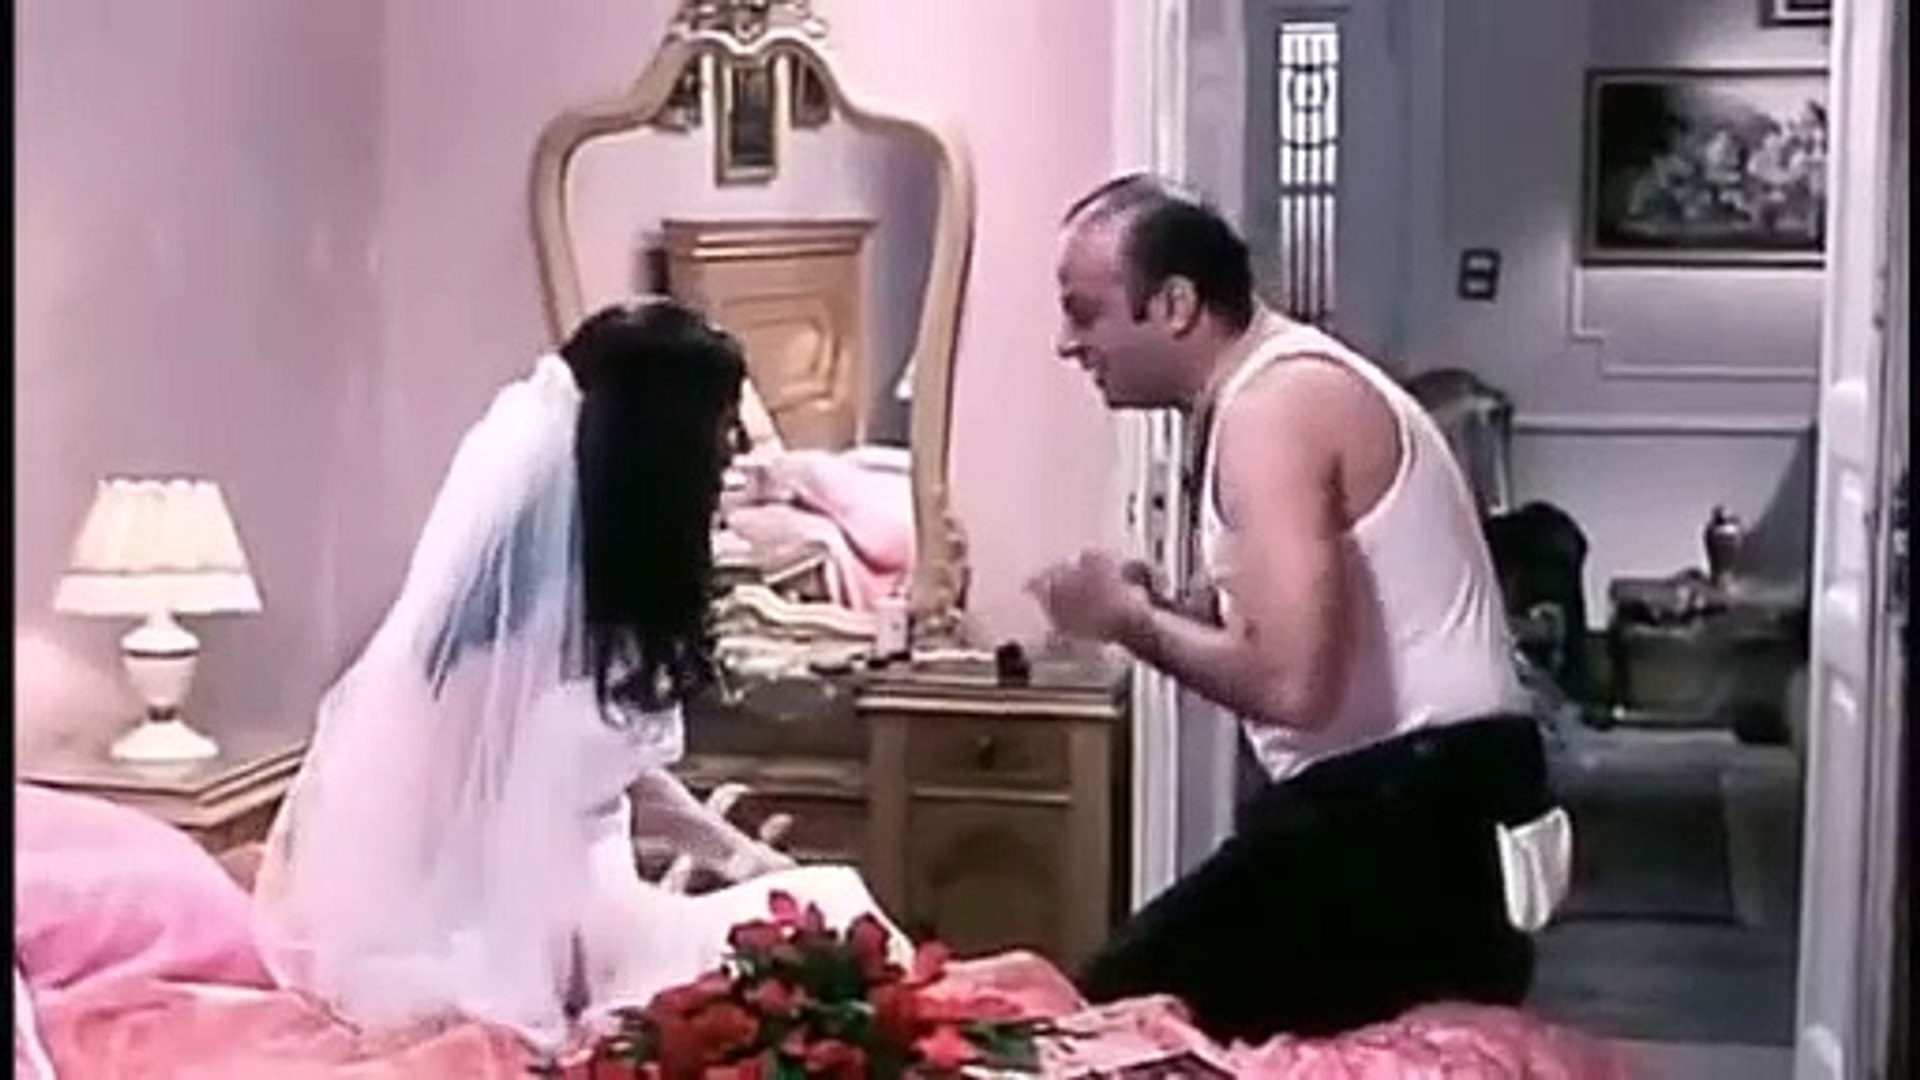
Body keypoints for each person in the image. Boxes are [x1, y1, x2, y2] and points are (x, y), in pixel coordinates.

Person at [253, 299, 902, 1051]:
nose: (734, 449)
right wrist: (567, 979)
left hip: (603, 921)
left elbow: (613, 778)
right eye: (721, 425)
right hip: (553, 947)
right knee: (832, 926)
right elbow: (479, 832)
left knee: (832, 921)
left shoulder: (608, 597)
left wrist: (737, 855)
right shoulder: (502, 641)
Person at [1028, 174, 1570, 1041]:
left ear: (1174, 304)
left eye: (1083, 312)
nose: (1066, 344)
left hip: (1415, 817)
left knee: (1114, 1027)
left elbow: (1292, 687)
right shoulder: (1269, 388)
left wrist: (1127, 621)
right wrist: (1165, 604)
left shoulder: (1274, 408)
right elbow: (1300, 621)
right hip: (1416, 800)